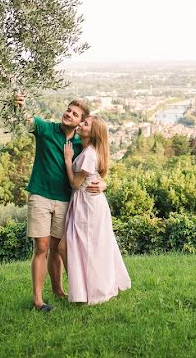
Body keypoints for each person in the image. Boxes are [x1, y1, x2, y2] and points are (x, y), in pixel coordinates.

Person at [15, 94, 105, 313]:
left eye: (75, 114)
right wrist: (20, 106)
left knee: (57, 248)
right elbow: (29, 119)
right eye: (68, 110)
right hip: (41, 196)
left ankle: (59, 291)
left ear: (80, 122)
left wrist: (103, 184)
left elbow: (95, 166)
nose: (69, 114)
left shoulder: (80, 142)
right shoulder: (47, 130)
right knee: (42, 247)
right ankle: (38, 300)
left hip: (66, 200)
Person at [63, 115, 131, 304]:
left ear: (92, 133)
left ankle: (94, 291)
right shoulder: (88, 150)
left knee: (89, 247)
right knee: (87, 246)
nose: (81, 124)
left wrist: (68, 161)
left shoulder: (89, 154)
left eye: (85, 124)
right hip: (87, 202)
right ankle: (86, 289)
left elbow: (75, 184)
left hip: (87, 204)